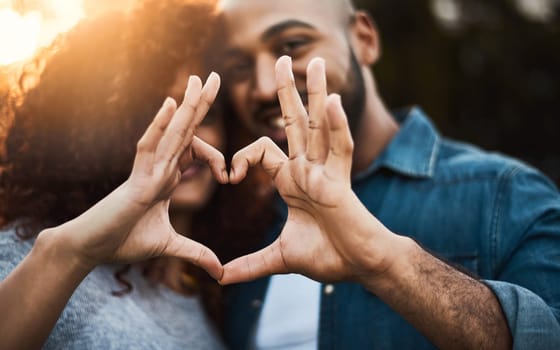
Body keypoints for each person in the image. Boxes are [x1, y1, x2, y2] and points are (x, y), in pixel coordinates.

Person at [205, 0, 560, 349]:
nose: (266, 86)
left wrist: (388, 265)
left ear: (364, 40)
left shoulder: (507, 197)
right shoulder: (246, 224)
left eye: (292, 46)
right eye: (239, 67)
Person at [0, 1, 228, 348]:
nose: (187, 139)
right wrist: (66, 254)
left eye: (205, 116)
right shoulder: (25, 257)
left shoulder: (213, 293)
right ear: (98, 132)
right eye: (159, 118)